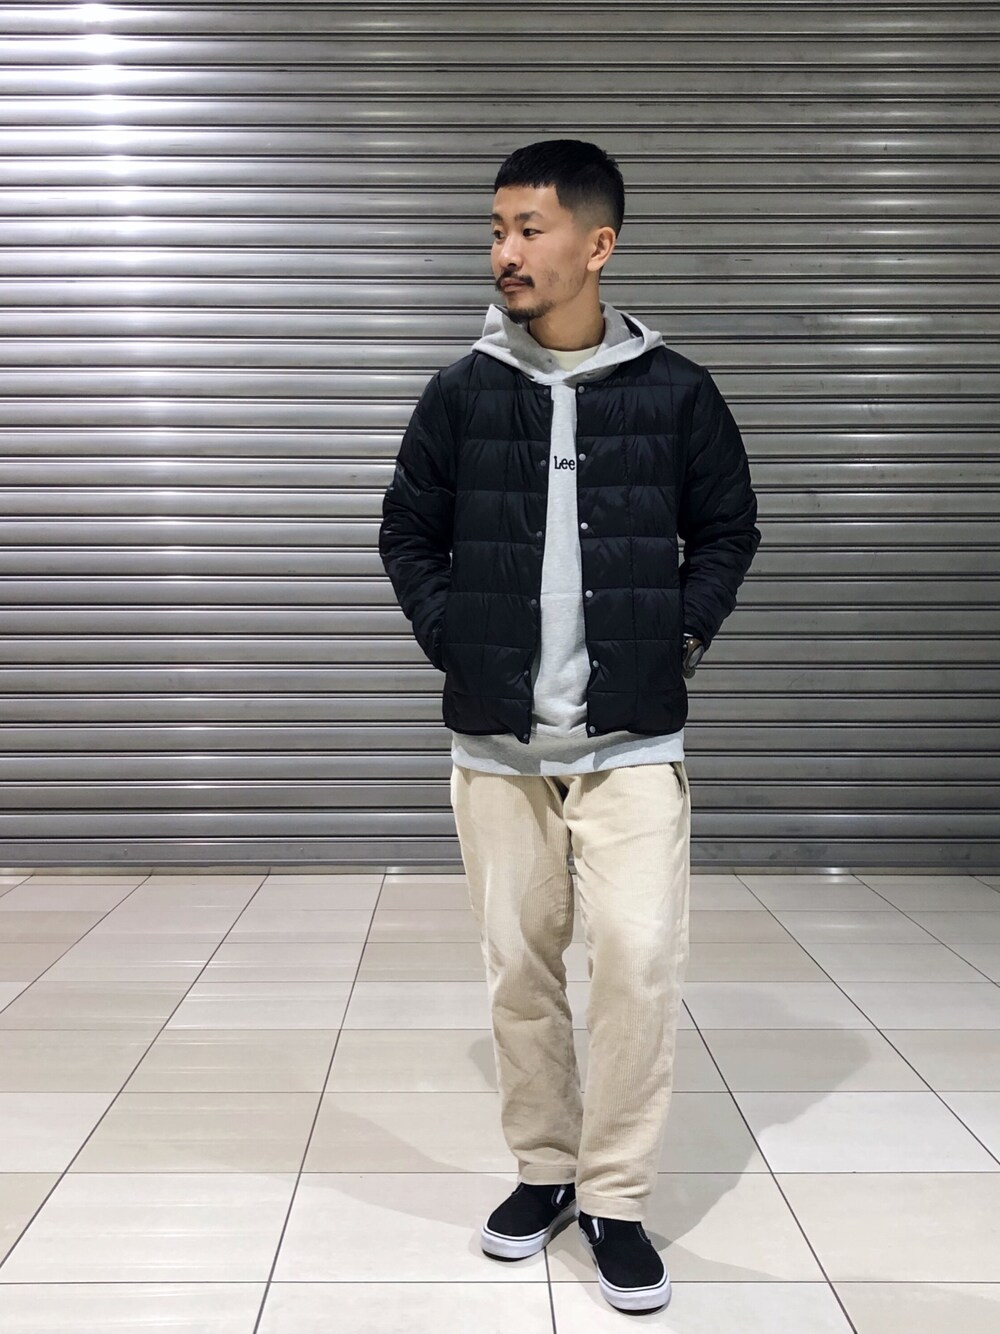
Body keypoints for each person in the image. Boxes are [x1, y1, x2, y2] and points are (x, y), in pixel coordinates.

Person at [378, 138, 760, 1315]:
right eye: (496, 228)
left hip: (630, 740)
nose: (505, 251)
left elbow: (729, 527)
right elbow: (406, 532)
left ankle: (616, 1196)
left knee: (638, 962)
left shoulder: (676, 391)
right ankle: (544, 1170)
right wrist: (457, 639)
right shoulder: (459, 391)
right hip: (496, 746)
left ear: (597, 245)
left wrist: (677, 637)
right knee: (520, 969)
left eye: (529, 229)